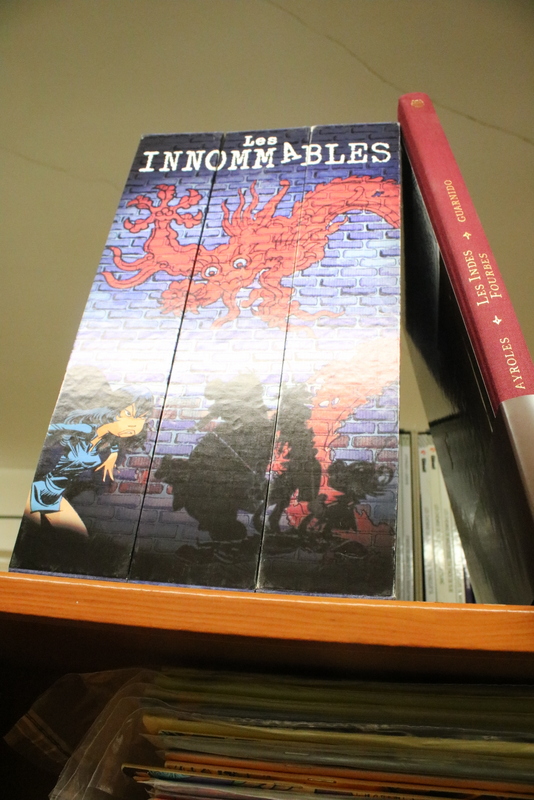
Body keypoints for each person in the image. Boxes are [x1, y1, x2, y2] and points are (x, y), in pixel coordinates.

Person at [24, 383, 153, 536]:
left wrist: (112, 456)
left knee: (78, 538)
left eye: (141, 418)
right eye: (128, 414)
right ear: (113, 412)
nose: (134, 424)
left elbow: (102, 479)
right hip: (35, 489)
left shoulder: (109, 444)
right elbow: (52, 429)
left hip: (53, 496)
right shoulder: (85, 430)